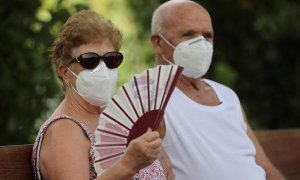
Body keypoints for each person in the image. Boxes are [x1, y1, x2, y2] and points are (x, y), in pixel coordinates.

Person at [150, 0, 285, 179]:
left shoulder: (227, 95)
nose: (201, 43)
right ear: (159, 43)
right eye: (188, 34)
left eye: (207, 35)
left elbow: (266, 167)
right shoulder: (148, 98)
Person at [32, 10, 168, 180]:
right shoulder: (63, 130)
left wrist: (157, 144)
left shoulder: (118, 116)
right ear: (65, 72)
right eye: (90, 60)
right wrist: (127, 165)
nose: (103, 69)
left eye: (111, 59)